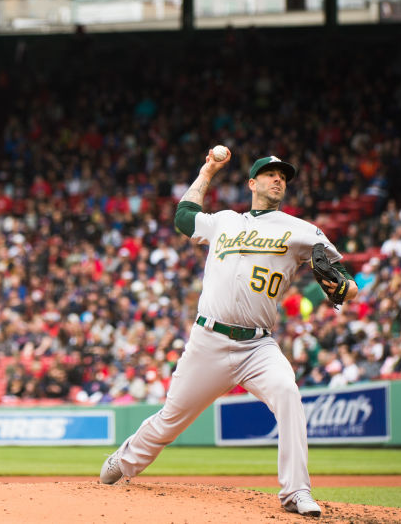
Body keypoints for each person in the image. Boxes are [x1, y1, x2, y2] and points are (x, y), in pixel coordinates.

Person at [99, 150, 358, 519]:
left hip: (258, 346)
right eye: (269, 174)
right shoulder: (225, 221)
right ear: (252, 183)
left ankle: (296, 491)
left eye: (283, 176)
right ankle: (123, 461)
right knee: (171, 418)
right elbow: (184, 217)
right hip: (209, 341)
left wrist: (346, 289)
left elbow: (344, 280)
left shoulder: (303, 231)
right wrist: (207, 171)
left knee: (287, 393)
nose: (278, 179)